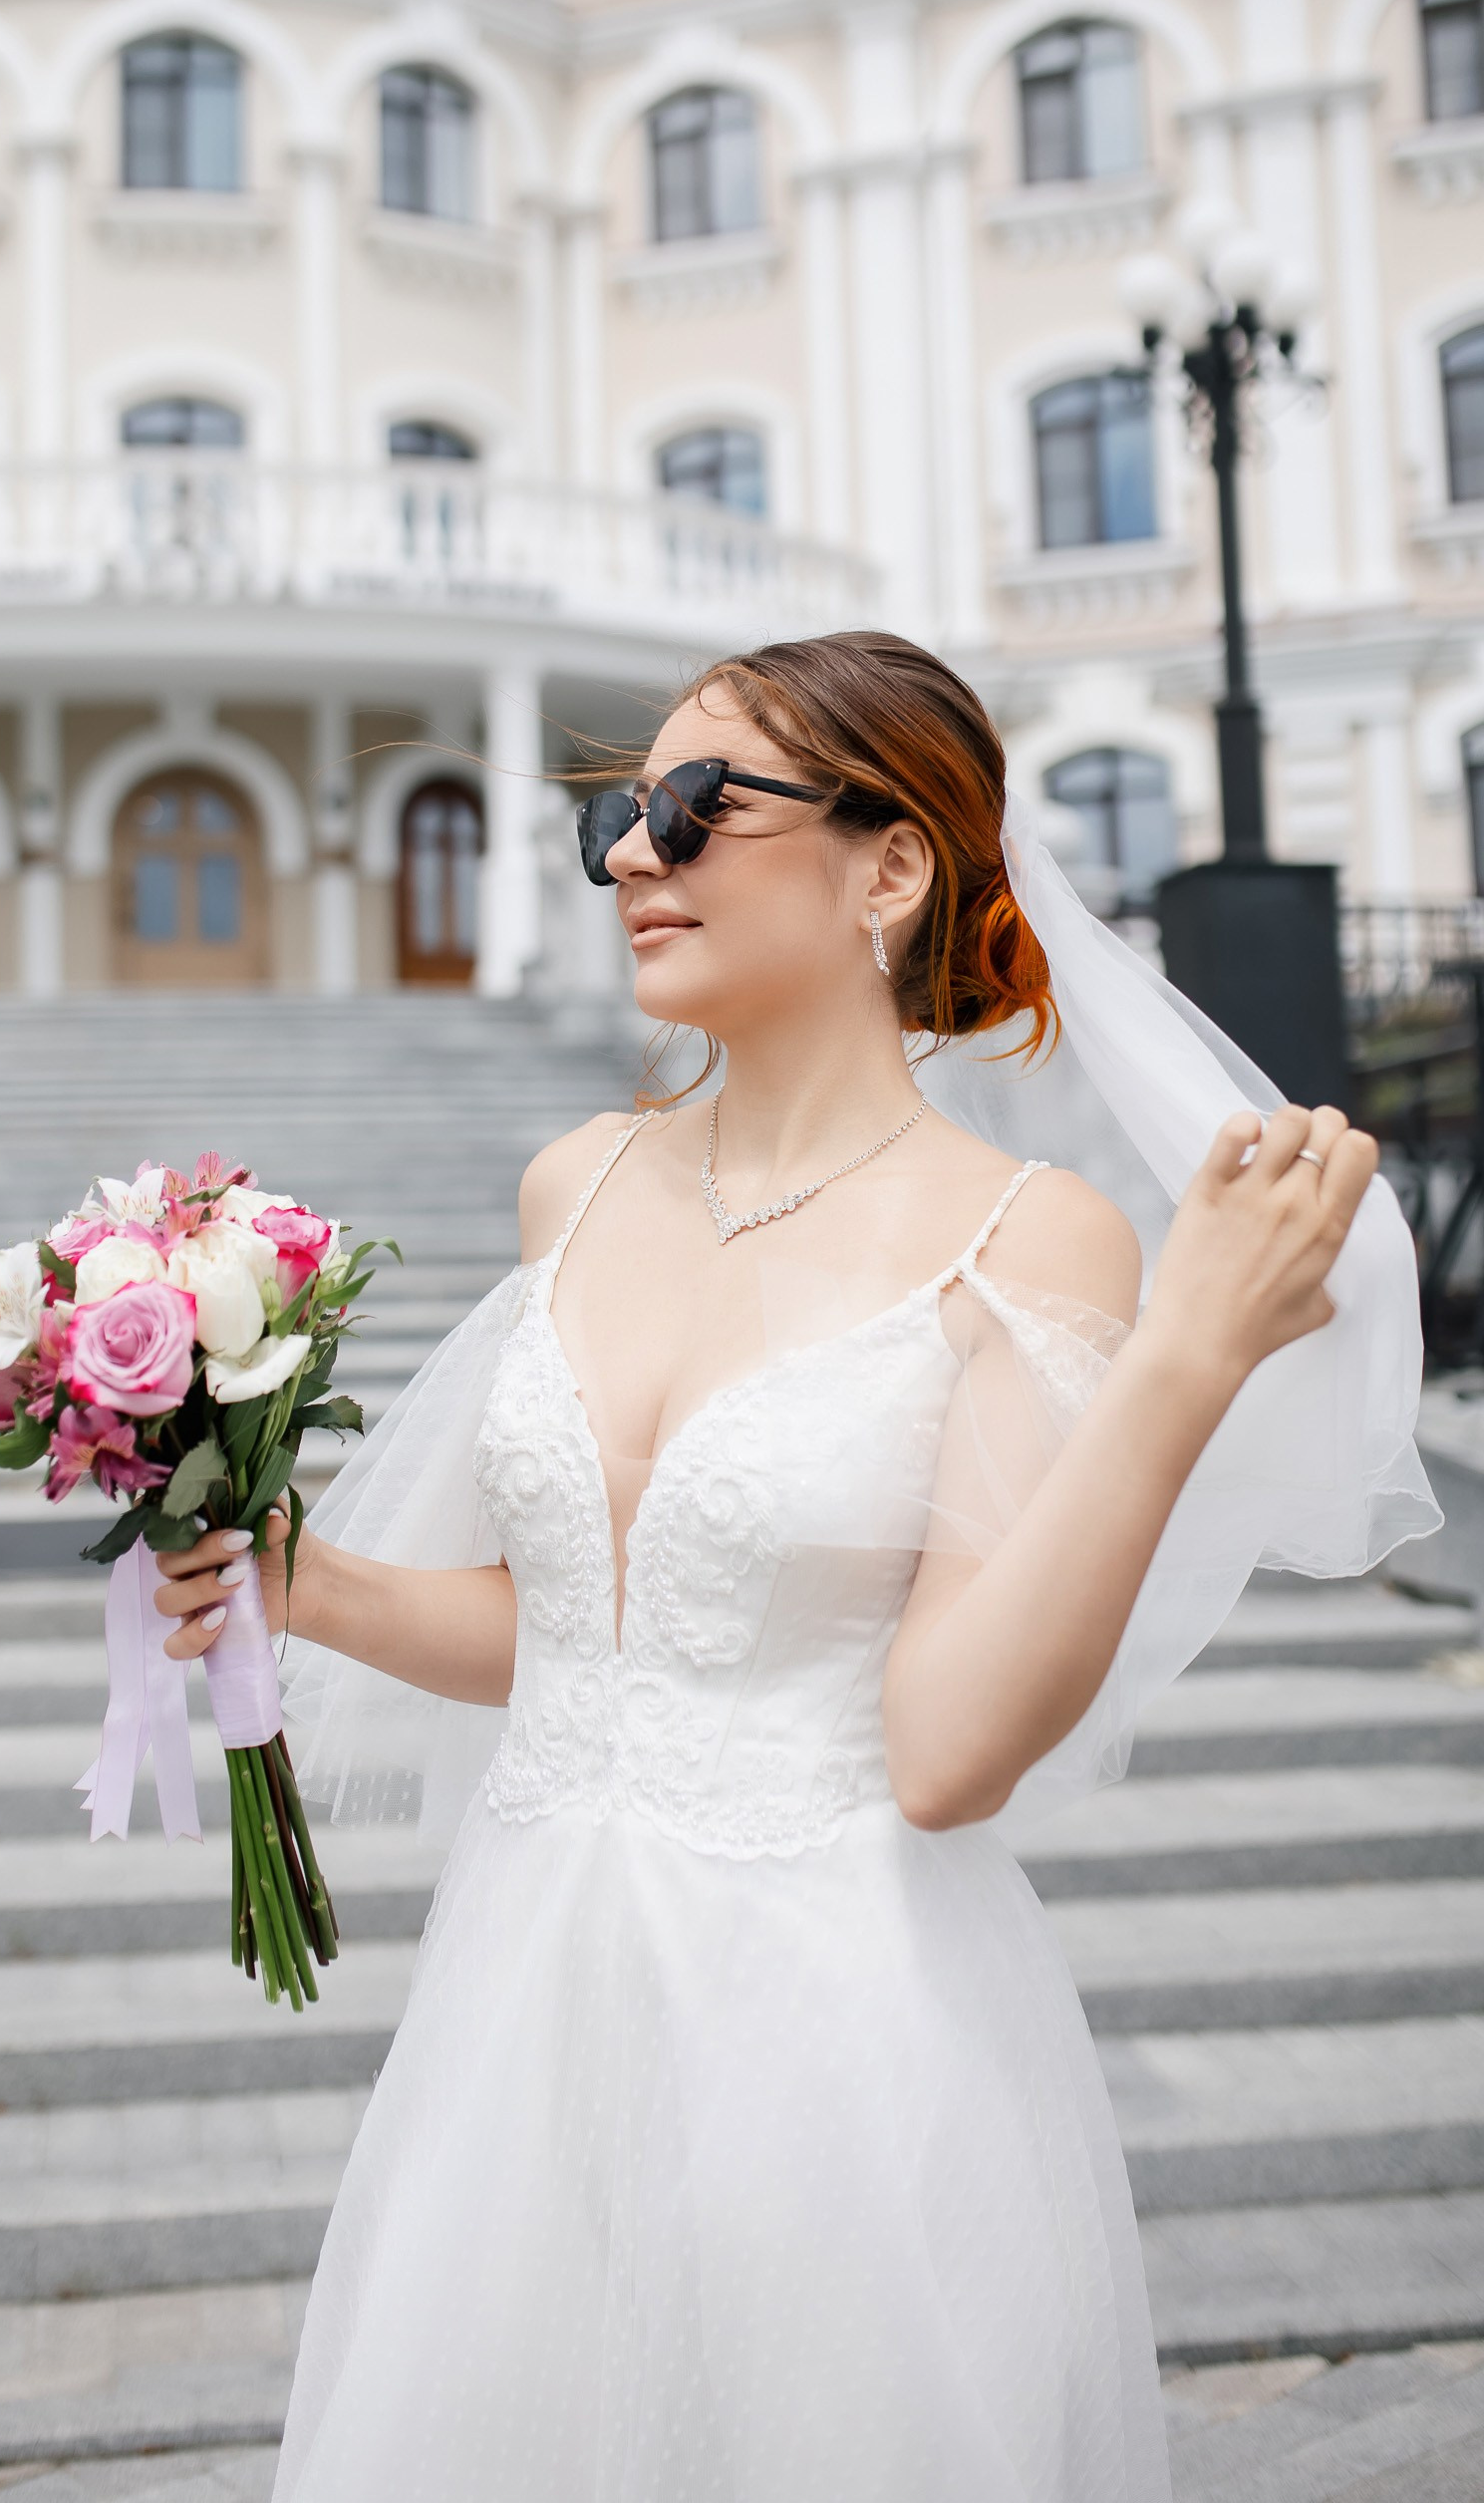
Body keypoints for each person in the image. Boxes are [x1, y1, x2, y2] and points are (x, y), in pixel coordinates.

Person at [153, 630, 1431, 2502]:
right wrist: (310, 1583)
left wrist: (1184, 1362)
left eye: (695, 807)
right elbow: (593, 1632)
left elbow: (947, 1754)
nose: (633, 859)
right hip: (526, 2023)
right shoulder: (572, 1180)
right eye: (619, 816)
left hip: (837, 2036)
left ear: (888, 865)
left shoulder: (1031, 1237)